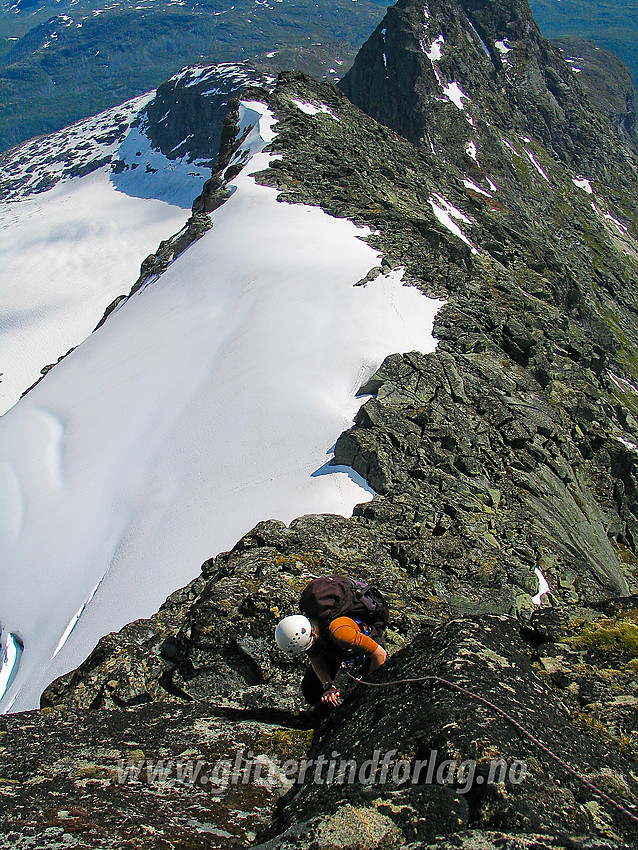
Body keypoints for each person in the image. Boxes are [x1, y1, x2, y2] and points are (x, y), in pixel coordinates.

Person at [275, 576, 388, 708]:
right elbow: (315, 658)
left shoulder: (340, 633)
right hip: (334, 643)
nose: (307, 651)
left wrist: (365, 692)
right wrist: (329, 686)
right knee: (311, 689)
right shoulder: (308, 628)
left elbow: (380, 655)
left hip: (362, 640)